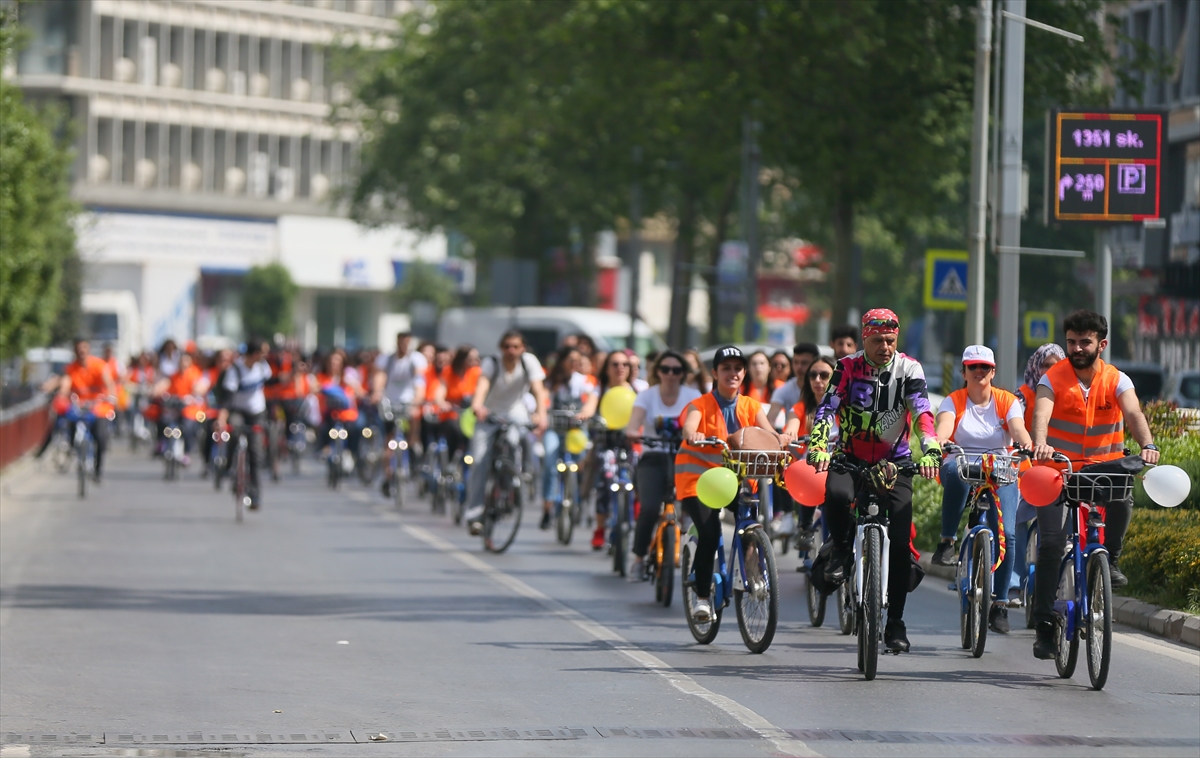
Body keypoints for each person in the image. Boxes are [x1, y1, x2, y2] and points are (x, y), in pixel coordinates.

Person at [807, 309, 942, 653]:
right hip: (850, 457)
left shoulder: (909, 368)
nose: (885, 347)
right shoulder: (847, 366)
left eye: (890, 341)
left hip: (894, 464)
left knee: (899, 545)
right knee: (836, 494)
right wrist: (819, 444)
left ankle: (895, 621)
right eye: (877, 340)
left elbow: (922, 411)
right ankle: (840, 552)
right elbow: (827, 407)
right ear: (864, 338)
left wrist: (930, 449)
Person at [1030, 310, 1159, 660]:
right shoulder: (1052, 378)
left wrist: (1147, 444)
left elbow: (1133, 414)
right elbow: (1041, 413)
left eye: (1084, 342)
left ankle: (1111, 560)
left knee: (1123, 496)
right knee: (1052, 544)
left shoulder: (1117, 379)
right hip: (1058, 470)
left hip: (1103, 468)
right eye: (1071, 341)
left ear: (1101, 344)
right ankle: (1043, 624)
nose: (1077, 348)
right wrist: (1039, 442)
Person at [675, 346, 786, 621]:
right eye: (726, 368)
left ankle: (752, 573)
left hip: (737, 480)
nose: (732, 373)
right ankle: (702, 597)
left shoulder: (751, 405)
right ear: (715, 373)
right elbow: (689, 426)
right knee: (710, 533)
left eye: (738, 368)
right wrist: (694, 434)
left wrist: (779, 438)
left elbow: (767, 431)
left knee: (748, 522)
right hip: (699, 481)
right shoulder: (699, 405)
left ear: (744, 373)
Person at [930, 345, 1032, 634]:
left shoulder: (1007, 401)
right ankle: (947, 541)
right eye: (972, 367)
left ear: (993, 372)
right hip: (963, 462)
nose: (978, 372)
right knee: (953, 471)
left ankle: (1000, 604)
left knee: (1009, 535)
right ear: (963, 372)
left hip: (1000, 467)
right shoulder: (954, 401)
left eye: (984, 367)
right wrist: (938, 441)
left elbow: (1018, 428)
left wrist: (1025, 443)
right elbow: (944, 426)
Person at [625, 351, 701, 580]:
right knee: (648, 508)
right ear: (658, 371)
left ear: (683, 374)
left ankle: (699, 560)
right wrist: (632, 431)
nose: (670, 374)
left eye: (676, 370)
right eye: (665, 369)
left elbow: (702, 421)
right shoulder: (647, 396)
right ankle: (638, 558)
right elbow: (635, 421)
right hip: (653, 458)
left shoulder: (693, 395)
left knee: (699, 509)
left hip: (685, 458)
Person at [464, 330, 549, 534]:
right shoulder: (492, 363)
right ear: (501, 348)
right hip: (489, 414)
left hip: (516, 412)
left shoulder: (529, 362)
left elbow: (538, 390)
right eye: (507, 347)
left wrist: (541, 414)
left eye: (516, 347)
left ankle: (516, 478)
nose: (511, 351)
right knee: (478, 461)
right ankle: (474, 514)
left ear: (523, 348)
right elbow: (482, 388)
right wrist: (477, 406)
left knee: (517, 440)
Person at [1009, 343, 1066, 599]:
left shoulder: (1071, 394)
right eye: (1045, 366)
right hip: (1027, 464)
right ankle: (1013, 578)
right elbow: (1015, 424)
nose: (1051, 371)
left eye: (1056, 366)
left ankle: (1054, 582)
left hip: (1058, 467)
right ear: (1035, 367)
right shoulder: (1021, 397)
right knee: (1015, 518)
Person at [580, 349, 636, 548]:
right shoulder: (600, 389)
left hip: (631, 444)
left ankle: (628, 522)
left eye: (625, 364)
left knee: (637, 477)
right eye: (615, 364)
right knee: (606, 477)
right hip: (606, 443)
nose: (620, 368)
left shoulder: (637, 390)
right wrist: (585, 415)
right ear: (607, 368)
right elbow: (590, 406)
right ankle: (600, 528)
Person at [782, 354, 838, 545]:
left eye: (824, 375)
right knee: (809, 469)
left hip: (839, 464)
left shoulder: (846, 406)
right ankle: (805, 526)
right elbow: (791, 423)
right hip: (811, 468)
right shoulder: (802, 407)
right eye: (812, 375)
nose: (817, 380)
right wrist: (789, 434)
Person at [539, 347, 593, 529]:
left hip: (576, 431)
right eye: (570, 360)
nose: (574, 364)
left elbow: (592, 397)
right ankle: (548, 505)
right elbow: (543, 398)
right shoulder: (552, 381)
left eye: (577, 361)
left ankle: (576, 498)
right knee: (550, 464)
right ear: (562, 361)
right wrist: (540, 414)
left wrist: (585, 412)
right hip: (555, 428)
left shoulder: (584, 381)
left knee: (580, 462)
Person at [215, 338, 272, 509]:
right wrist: (221, 419)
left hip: (257, 411)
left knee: (255, 451)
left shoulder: (262, 367)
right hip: (237, 410)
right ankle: (229, 464)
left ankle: (255, 494)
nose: (264, 356)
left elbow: (272, 382)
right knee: (234, 430)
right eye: (262, 353)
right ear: (255, 354)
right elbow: (227, 398)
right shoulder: (235, 370)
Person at [373, 332, 427, 497]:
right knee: (389, 440)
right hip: (390, 401)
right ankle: (389, 474)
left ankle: (413, 444)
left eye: (407, 342)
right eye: (402, 342)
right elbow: (380, 376)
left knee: (413, 419)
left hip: (408, 401)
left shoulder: (416, 359)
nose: (404, 345)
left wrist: (417, 399)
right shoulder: (386, 359)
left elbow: (419, 379)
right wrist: (377, 392)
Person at [59, 338, 117, 481]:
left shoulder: (99, 365)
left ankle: (98, 469)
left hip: (98, 406)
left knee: (100, 437)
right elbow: (65, 384)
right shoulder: (71, 368)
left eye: (84, 347)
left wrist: (111, 395)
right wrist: (62, 394)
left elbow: (109, 382)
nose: (82, 351)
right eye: (79, 348)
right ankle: (72, 448)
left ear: (89, 349)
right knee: (69, 421)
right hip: (79, 406)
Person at [766, 343, 821, 425]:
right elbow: (770, 419)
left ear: (816, 363)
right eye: (796, 362)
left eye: (804, 363)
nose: (799, 367)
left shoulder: (827, 389)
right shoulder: (783, 389)